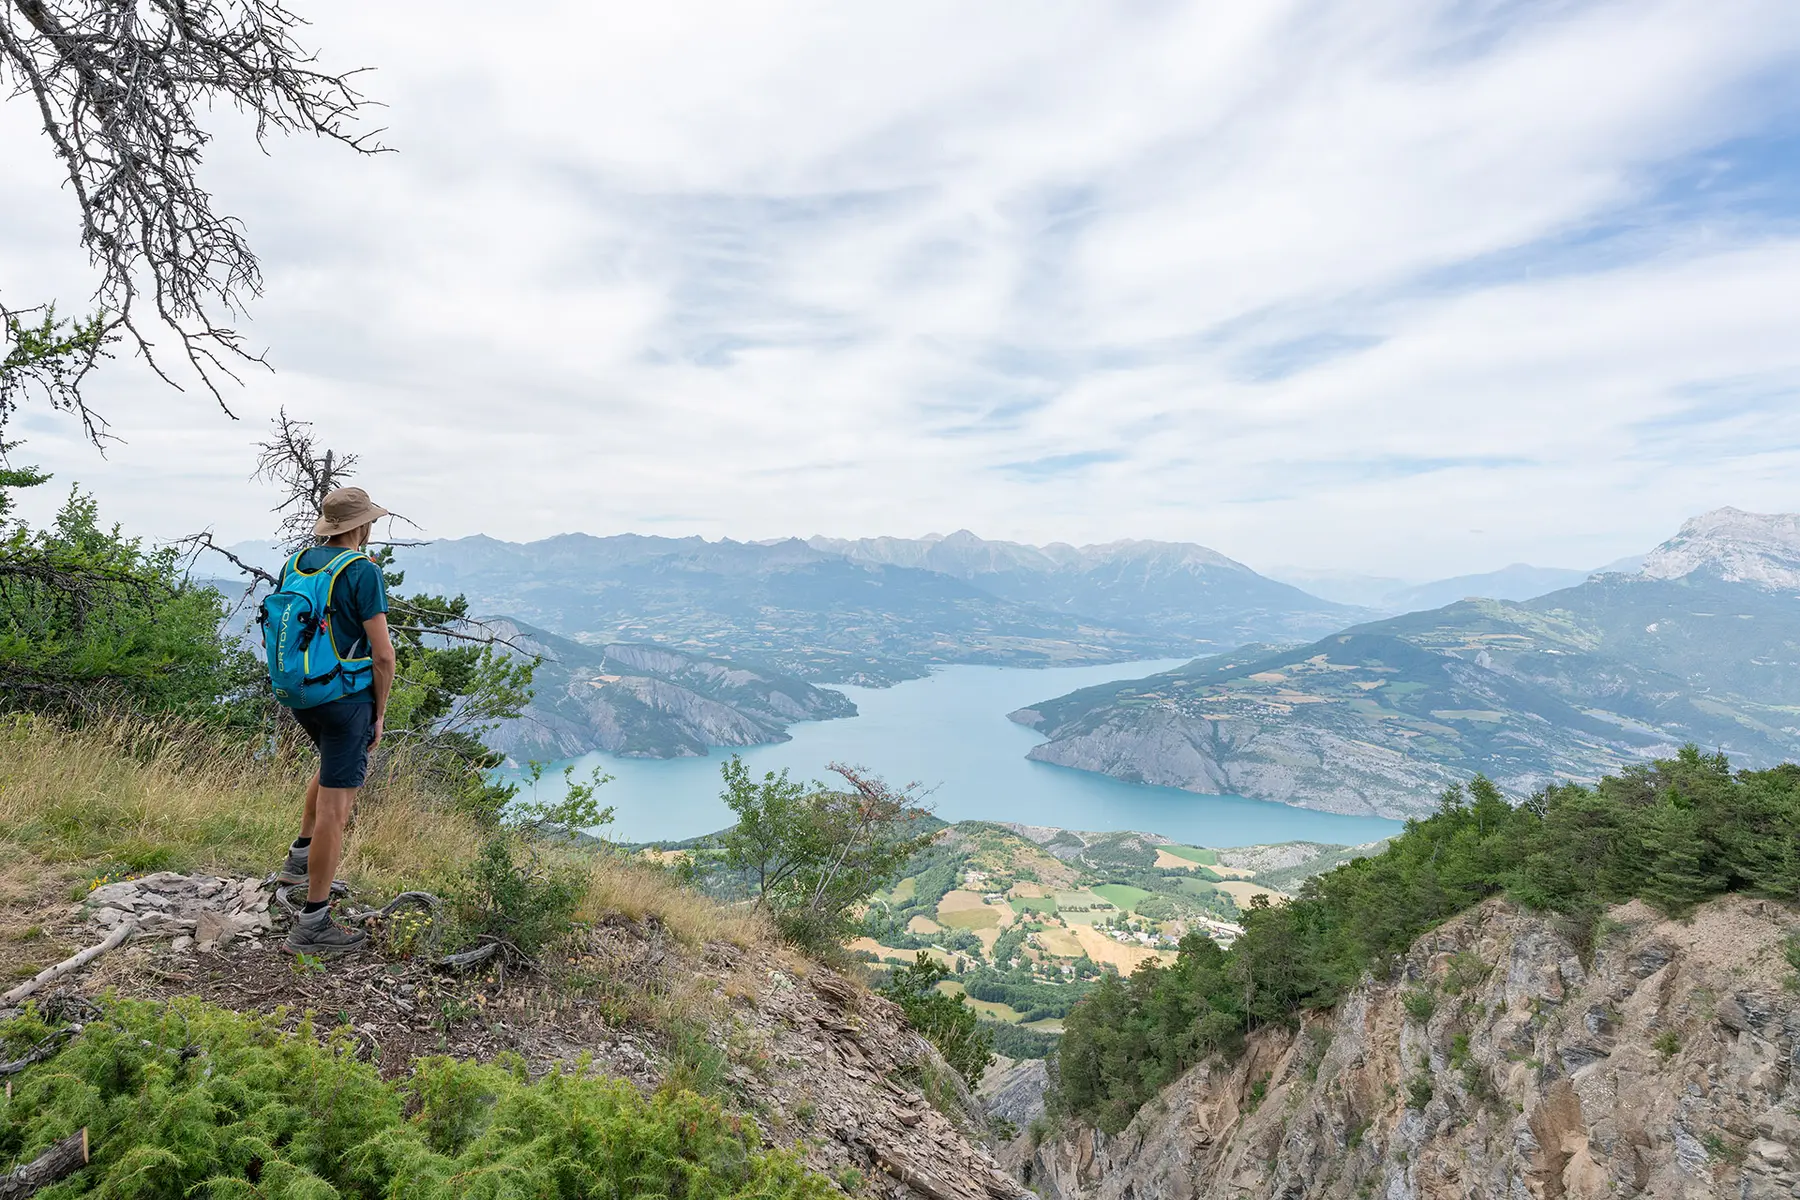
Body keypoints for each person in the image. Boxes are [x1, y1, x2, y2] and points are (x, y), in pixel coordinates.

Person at [273, 486, 397, 956]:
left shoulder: (297, 563)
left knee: (330, 769)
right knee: (336, 810)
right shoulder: (362, 571)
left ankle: (298, 861)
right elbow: (382, 655)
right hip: (346, 698)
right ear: (360, 526)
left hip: (302, 693)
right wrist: (379, 712)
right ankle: (313, 924)